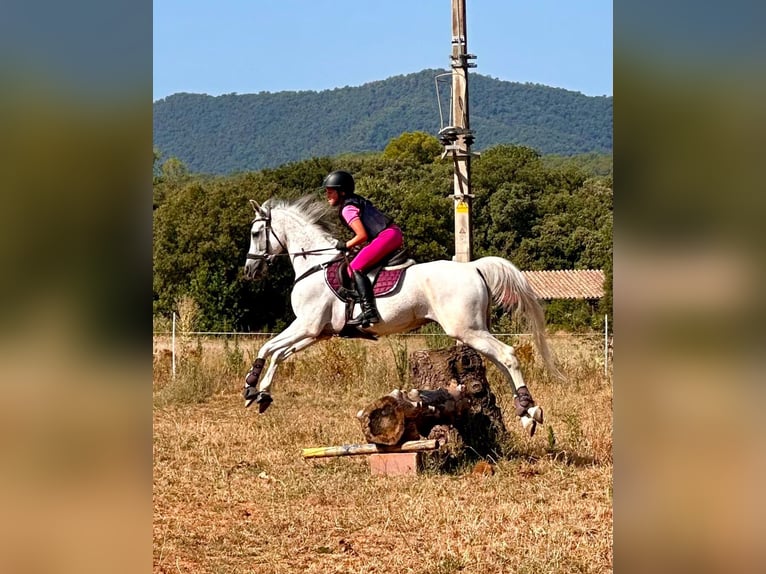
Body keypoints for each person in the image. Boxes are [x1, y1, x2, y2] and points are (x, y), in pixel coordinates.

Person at [323, 170, 403, 327]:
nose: (327, 196)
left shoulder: (347, 209)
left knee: (354, 268)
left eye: (330, 192)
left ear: (342, 192)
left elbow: (362, 236)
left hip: (387, 237)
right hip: (392, 234)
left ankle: (369, 311)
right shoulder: (355, 201)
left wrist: (344, 245)